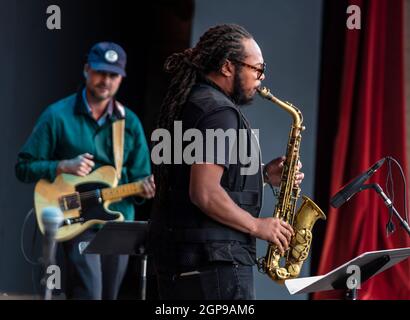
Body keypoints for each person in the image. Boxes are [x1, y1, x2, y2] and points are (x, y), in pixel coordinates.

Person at [149, 24, 304, 300]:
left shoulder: (193, 102)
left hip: (185, 262)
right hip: (215, 267)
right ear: (227, 67)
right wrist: (258, 226)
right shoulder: (219, 112)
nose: (262, 77)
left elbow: (191, 180)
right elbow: (204, 192)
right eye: (256, 68)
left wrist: (263, 176)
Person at [15, 42, 155, 300]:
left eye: (114, 75)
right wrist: (61, 166)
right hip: (76, 217)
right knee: (88, 293)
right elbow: (23, 167)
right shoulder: (57, 115)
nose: (106, 81)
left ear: (121, 78)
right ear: (86, 69)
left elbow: (140, 177)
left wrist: (144, 190)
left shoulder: (129, 122)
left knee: (110, 295)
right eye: (101, 72)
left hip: (118, 221)